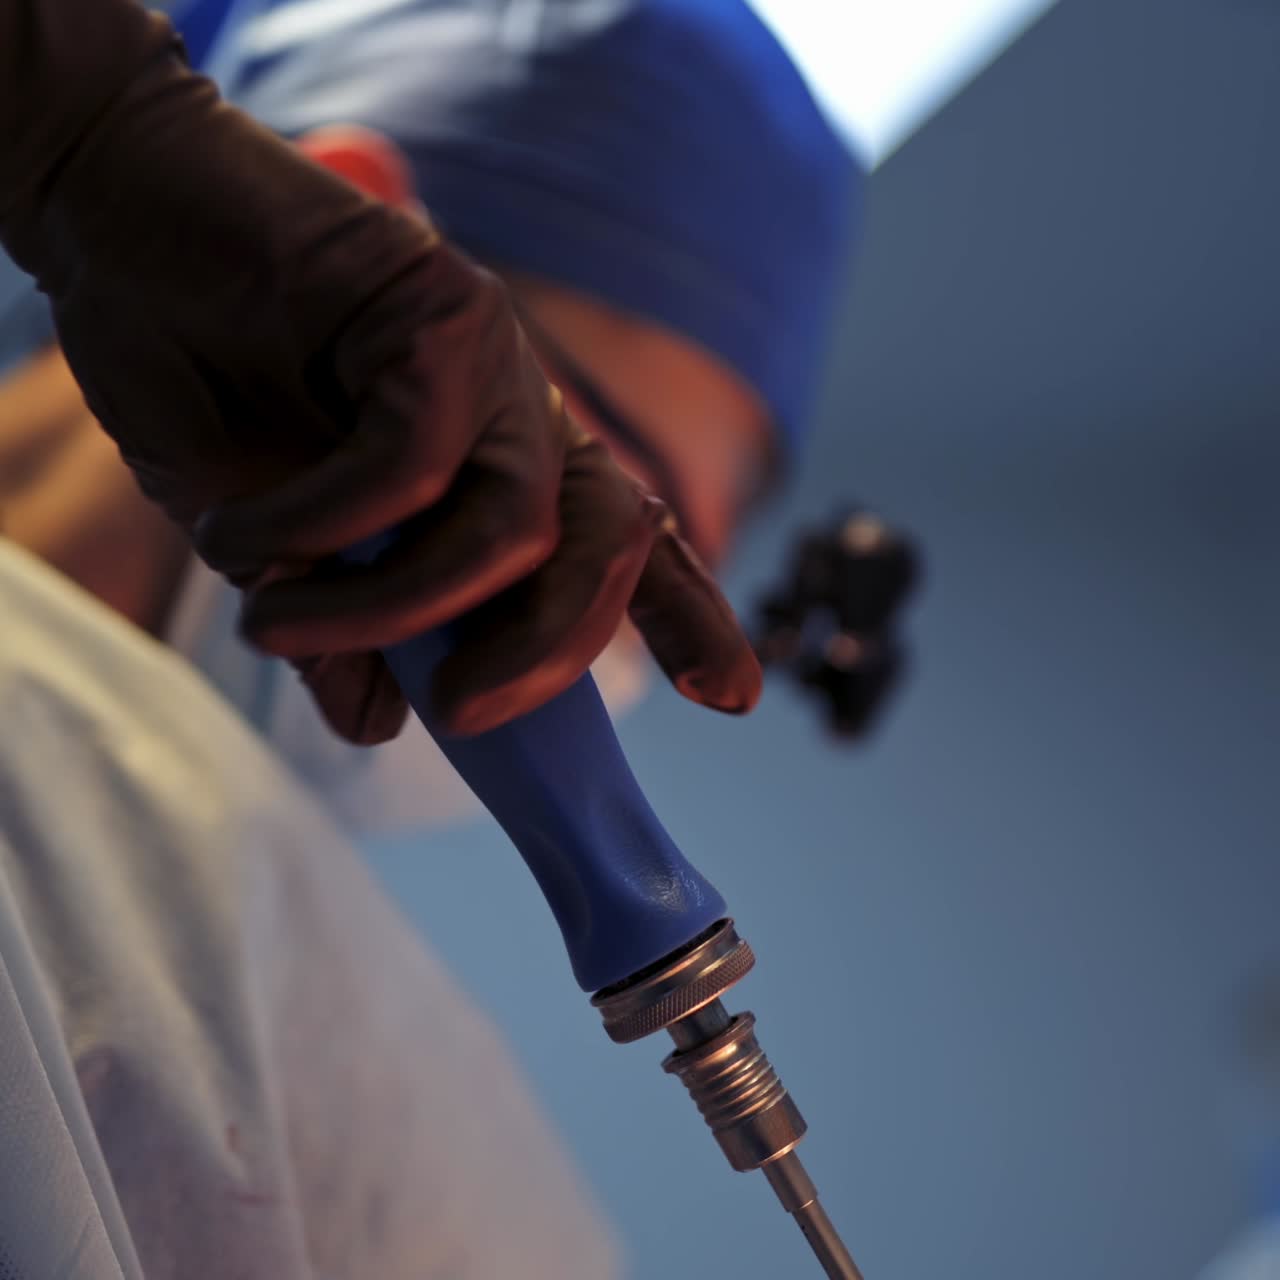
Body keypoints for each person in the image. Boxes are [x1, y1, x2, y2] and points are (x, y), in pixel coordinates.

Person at [0, 0, 858, 1274]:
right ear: (344, 225)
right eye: (624, 505)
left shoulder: (251, 941)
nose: (610, 654)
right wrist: (86, 132)